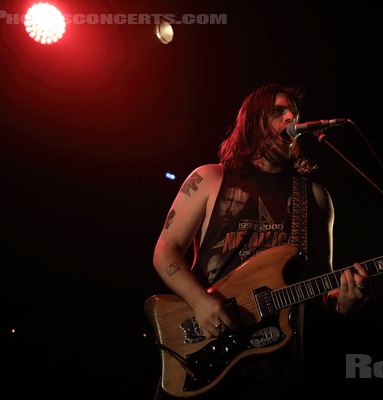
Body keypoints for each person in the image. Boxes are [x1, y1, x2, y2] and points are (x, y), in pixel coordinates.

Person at [151, 83, 370, 399]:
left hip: (277, 366)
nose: (290, 116)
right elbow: (165, 252)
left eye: (293, 112)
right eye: (278, 111)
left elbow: (322, 282)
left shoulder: (315, 197)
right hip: (205, 345)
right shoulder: (210, 178)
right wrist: (200, 301)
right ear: (253, 121)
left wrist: (344, 302)